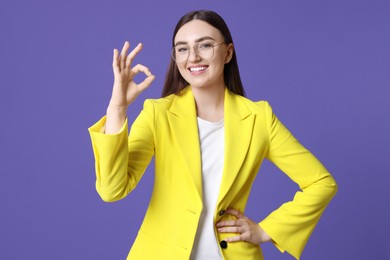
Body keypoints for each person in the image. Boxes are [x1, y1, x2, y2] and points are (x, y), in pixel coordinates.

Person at [88, 10, 337, 260]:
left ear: (228, 52)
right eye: (182, 49)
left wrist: (266, 231)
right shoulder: (158, 114)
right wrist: (117, 108)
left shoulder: (259, 118)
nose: (193, 57)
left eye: (205, 45)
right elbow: (112, 190)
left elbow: (321, 183)